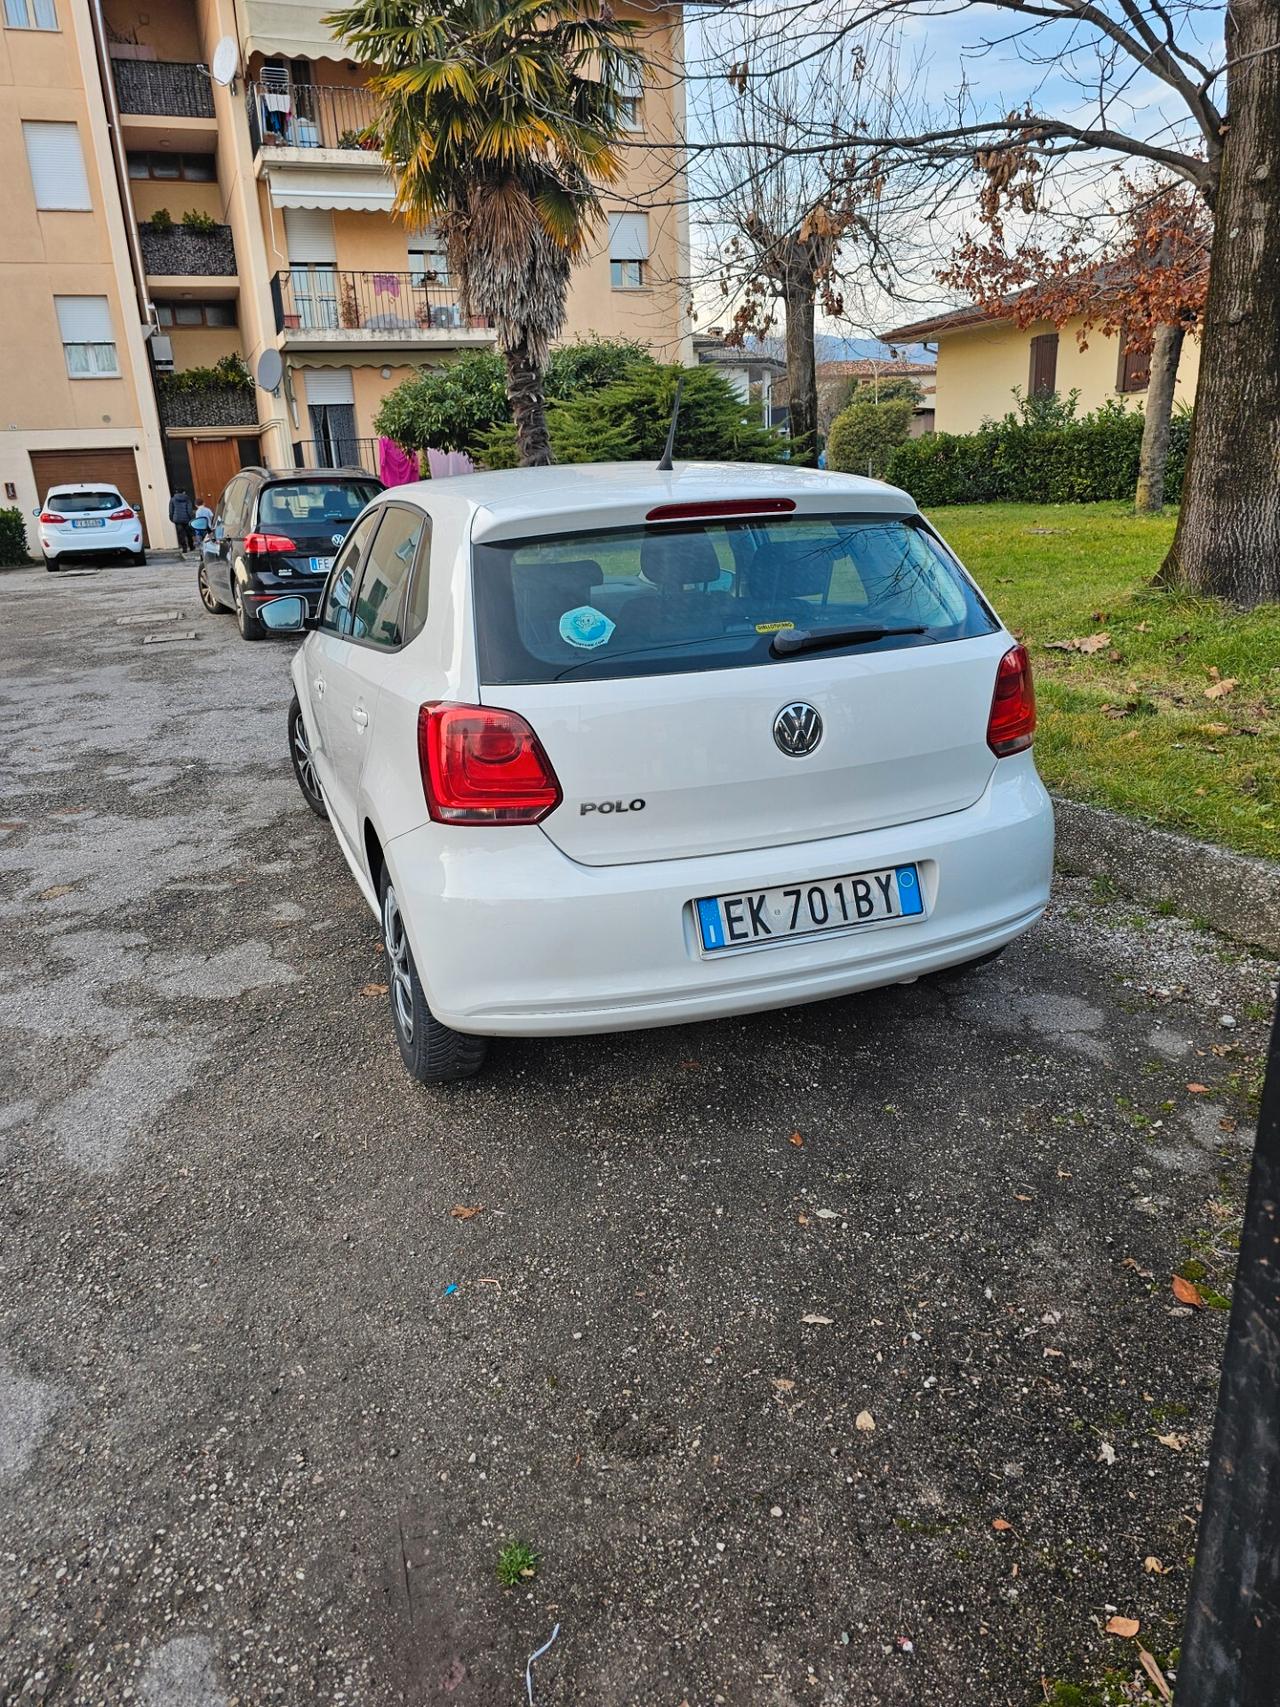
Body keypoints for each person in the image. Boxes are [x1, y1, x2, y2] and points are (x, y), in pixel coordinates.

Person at [169, 489, 194, 554]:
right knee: (189, 533)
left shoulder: (172, 499)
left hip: (177, 520)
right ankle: (191, 547)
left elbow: (171, 510)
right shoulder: (187, 499)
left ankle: (184, 549)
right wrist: (192, 518)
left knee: (181, 535)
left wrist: (171, 518)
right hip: (187, 519)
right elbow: (189, 510)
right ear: (184, 492)